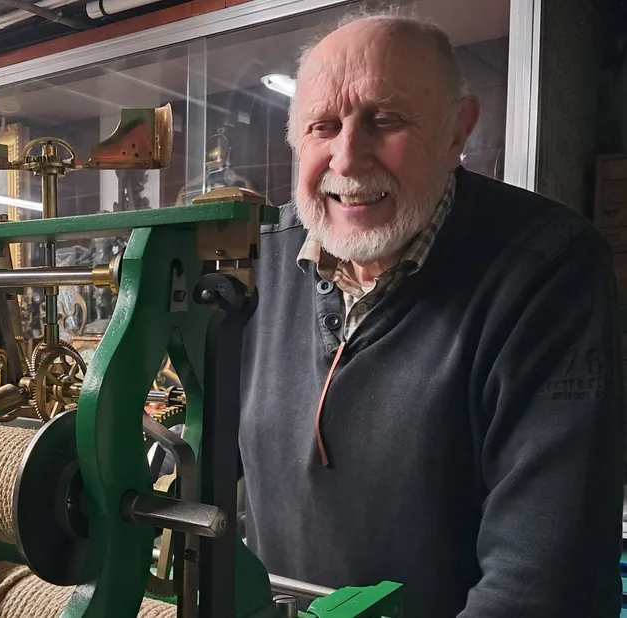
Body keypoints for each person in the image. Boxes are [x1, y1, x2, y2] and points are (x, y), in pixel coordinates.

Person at [239, 12, 624, 618]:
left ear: (456, 132)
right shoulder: (260, 257)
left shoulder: (548, 268)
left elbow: (541, 583)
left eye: (384, 120)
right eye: (322, 126)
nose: (347, 157)